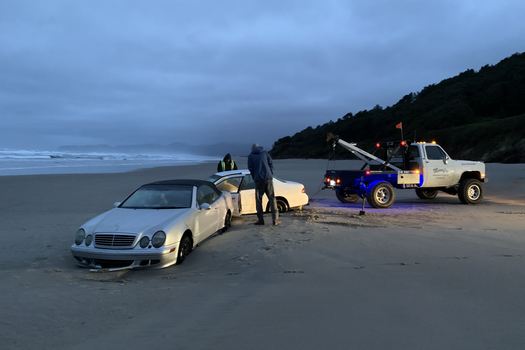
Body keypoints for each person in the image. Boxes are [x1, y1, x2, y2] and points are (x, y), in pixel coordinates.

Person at [247, 144, 280, 226]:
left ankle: (261, 220)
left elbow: (251, 168)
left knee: (258, 200)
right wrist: (270, 173)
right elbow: (271, 163)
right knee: (272, 199)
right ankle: (275, 220)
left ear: (252, 148)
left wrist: (255, 177)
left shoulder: (251, 156)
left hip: (258, 180)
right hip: (268, 178)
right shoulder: (265, 153)